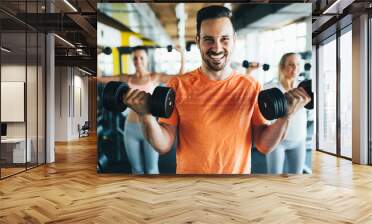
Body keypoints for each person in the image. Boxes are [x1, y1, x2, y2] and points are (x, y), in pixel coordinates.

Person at [123, 5, 310, 174]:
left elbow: (263, 145)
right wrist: (145, 116)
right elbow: (164, 145)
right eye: (208, 40)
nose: (217, 47)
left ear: (234, 40)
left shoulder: (250, 86)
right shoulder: (178, 85)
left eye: (224, 39)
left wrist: (285, 116)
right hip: (191, 186)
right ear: (197, 41)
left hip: (236, 187)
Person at [98, 46, 185, 174]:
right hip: (130, 127)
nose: (138, 61)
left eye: (141, 58)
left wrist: (182, 54)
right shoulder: (127, 78)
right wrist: (98, 54)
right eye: (135, 58)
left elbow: (180, 77)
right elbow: (100, 78)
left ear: (147, 59)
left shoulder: (154, 77)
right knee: (136, 170)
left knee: (152, 169)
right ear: (132, 60)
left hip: (151, 127)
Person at [264, 53, 308, 174]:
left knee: (297, 177)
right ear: (282, 67)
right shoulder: (271, 88)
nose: (295, 68)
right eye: (291, 65)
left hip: (299, 140)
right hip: (277, 141)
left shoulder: (304, 88)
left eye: (298, 64)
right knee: (274, 176)